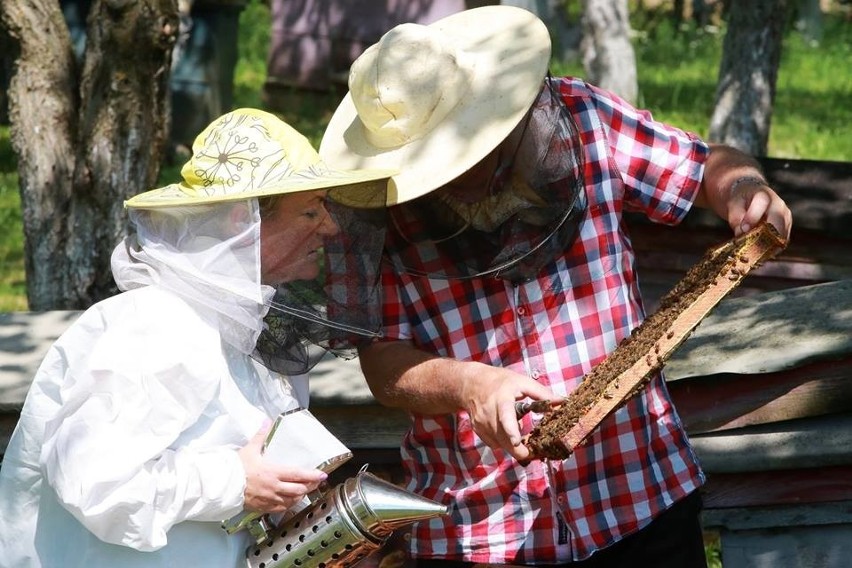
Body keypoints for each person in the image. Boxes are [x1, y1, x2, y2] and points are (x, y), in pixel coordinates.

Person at [318, 5, 793, 568]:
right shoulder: (364, 205)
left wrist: (744, 187)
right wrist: (468, 384)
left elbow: (704, 166)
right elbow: (381, 364)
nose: (463, 176)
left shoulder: (584, 117)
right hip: (481, 529)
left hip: (637, 497)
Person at [0, 108, 391, 567]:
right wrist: (235, 482)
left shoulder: (239, 330)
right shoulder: (157, 326)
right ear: (241, 222)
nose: (330, 226)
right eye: (310, 209)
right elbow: (93, 480)